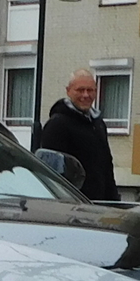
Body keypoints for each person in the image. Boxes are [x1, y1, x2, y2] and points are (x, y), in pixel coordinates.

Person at [37, 68, 120, 201]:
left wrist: (114, 200)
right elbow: (51, 173)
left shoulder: (98, 124)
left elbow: (107, 168)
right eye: (80, 90)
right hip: (73, 205)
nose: (86, 95)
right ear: (68, 91)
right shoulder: (57, 125)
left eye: (90, 90)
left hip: (101, 204)